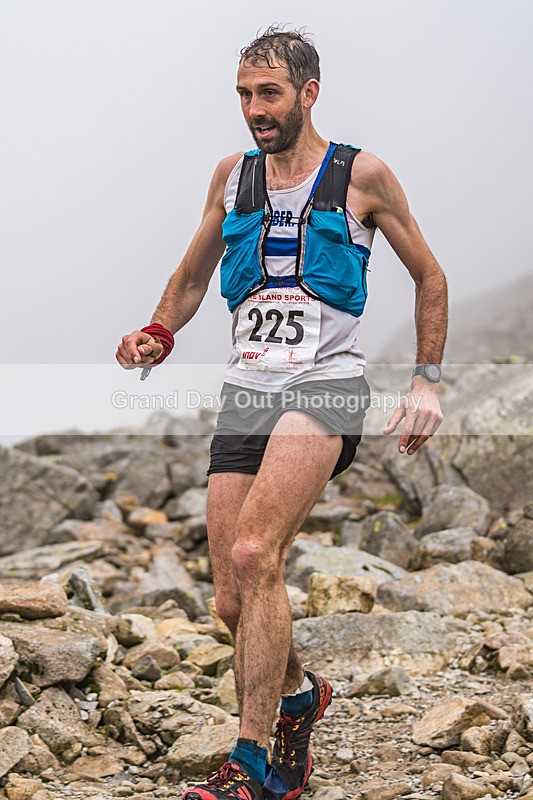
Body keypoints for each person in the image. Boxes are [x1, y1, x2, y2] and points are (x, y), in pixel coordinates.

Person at [116, 26, 448, 800]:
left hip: (326, 386)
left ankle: (252, 762)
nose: (253, 110)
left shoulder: (361, 175)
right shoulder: (232, 177)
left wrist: (426, 382)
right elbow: (192, 276)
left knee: (253, 552)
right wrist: (156, 333)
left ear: (308, 93)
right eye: (242, 94)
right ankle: (299, 695)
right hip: (247, 392)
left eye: (267, 94)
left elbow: (428, 277)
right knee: (232, 598)